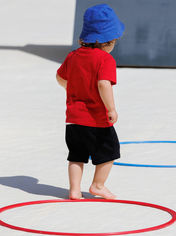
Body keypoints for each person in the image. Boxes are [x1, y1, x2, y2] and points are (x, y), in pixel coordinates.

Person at [56, 4, 124, 200]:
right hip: (96, 120)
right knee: (110, 152)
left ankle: (75, 190)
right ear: (109, 41)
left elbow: (60, 77)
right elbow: (104, 84)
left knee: (76, 155)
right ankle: (98, 185)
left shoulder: (73, 56)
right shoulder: (105, 60)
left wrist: (74, 89)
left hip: (73, 120)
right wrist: (111, 108)